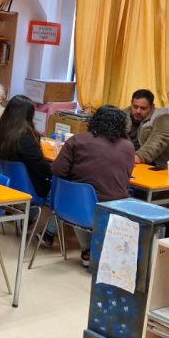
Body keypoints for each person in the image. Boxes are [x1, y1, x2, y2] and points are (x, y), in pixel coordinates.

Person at [50, 105, 136, 265]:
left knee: (78, 195)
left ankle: (87, 249)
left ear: (94, 121)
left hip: (73, 208)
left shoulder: (77, 140)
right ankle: (101, 253)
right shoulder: (129, 147)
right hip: (112, 208)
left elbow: (57, 170)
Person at [0, 95, 52, 201]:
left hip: (7, 183)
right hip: (28, 188)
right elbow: (42, 168)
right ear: (28, 116)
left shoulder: (1, 130)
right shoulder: (25, 137)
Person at [126, 88, 169, 166]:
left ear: (152, 107)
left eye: (143, 108)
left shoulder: (163, 119)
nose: (138, 111)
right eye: (135, 106)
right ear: (131, 103)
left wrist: (126, 159)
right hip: (127, 162)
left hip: (154, 167)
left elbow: (153, 147)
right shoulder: (122, 114)